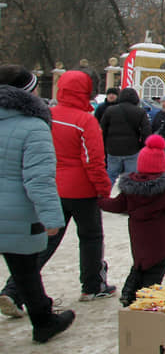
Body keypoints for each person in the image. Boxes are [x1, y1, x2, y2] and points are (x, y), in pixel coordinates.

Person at [2, 70, 117, 305]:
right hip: (82, 190)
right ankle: (92, 286)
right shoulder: (86, 120)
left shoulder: (46, 115)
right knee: (91, 237)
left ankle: (14, 289)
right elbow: (93, 161)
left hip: (54, 187)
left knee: (45, 242)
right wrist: (103, 188)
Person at [0, 65, 76, 343]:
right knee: (26, 271)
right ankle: (43, 321)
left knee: (26, 270)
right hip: (17, 214)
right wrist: (53, 218)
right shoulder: (34, 126)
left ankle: (44, 319)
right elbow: (38, 179)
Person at [98, 135, 165, 306]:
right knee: (155, 270)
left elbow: (116, 205)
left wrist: (98, 200)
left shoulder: (130, 188)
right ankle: (145, 298)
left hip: (138, 238)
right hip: (159, 240)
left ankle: (128, 294)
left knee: (140, 265)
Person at [100, 87, 151, 185]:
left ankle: (103, 196)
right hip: (132, 149)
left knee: (110, 175)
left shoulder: (110, 110)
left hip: (113, 149)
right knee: (132, 178)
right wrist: (141, 146)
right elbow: (146, 132)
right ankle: (130, 198)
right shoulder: (140, 112)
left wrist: (105, 145)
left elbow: (102, 129)